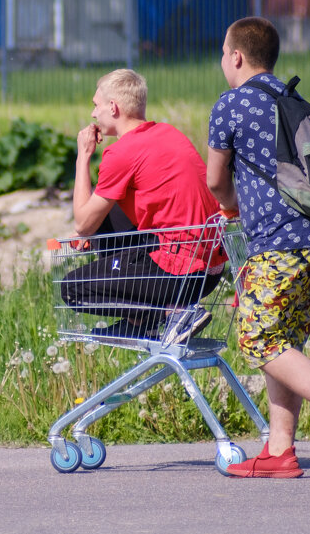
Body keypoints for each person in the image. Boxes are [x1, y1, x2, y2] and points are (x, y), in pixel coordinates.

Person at [206, 16, 310, 477]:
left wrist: (231, 207)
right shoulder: (293, 98)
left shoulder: (230, 105)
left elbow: (215, 181)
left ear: (236, 56)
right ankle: (280, 451)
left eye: (224, 53)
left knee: (258, 339)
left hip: (279, 245)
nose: (223, 60)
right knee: (284, 343)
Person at [62, 68, 225, 340]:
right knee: (107, 210)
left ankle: (174, 314)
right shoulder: (168, 133)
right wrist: (85, 230)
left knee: (71, 288)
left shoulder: (122, 152)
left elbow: (82, 222)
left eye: (96, 105)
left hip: (179, 276)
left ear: (113, 108)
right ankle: (140, 322)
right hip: (210, 267)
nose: (93, 114)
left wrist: (83, 157)